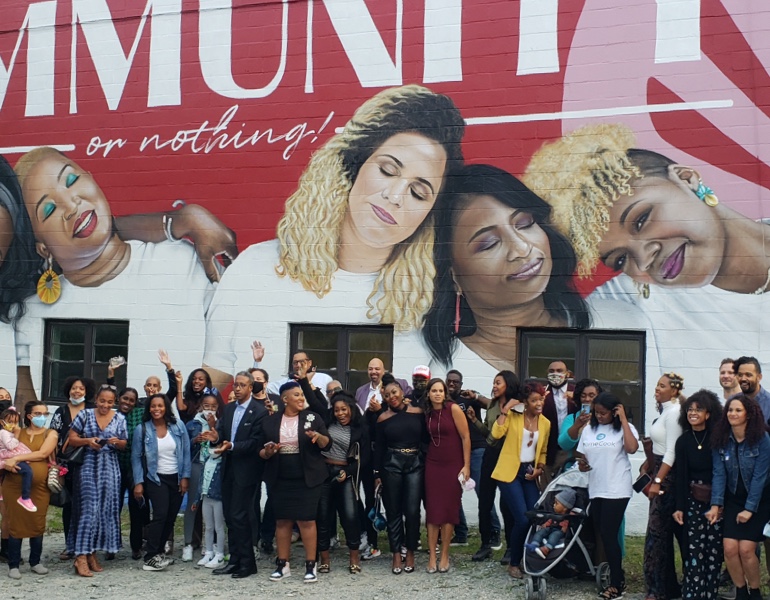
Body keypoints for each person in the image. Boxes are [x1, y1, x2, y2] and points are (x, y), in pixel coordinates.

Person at [203, 85, 466, 391]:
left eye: (418, 192)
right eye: (387, 170)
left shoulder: (428, 303)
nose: (395, 196)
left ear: (429, 214)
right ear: (354, 166)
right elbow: (206, 386)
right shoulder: (257, 269)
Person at [523, 123, 770, 414]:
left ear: (686, 178)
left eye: (641, 220)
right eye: (621, 259)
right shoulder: (633, 302)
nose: (643, 260)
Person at [14, 147, 216, 398]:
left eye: (71, 180)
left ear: (92, 177)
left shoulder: (179, 260)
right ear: (42, 247)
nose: (71, 205)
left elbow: (226, 352)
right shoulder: (30, 310)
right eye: (49, 210)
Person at [422, 163, 590, 373]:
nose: (522, 248)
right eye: (489, 243)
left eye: (525, 223)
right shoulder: (448, 374)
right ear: (454, 276)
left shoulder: (617, 320)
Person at [261, 380, 330, 584]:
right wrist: (269, 451)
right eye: (296, 395)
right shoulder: (270, 422)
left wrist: (318, 436)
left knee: (307, 521)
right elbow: (261, 451)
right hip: (280, 477)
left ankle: (311, 565)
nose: (301, 398)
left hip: (307, 477)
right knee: (282, 521)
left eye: (302, 395)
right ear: (284, 399)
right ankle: (283, 564)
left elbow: (327, 444)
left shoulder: (312, 418)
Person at [576, 392, 639, 600]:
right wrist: (582, 465)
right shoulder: (588, 430)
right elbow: (582, 458)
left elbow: (631, 448)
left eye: (604, 413)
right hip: (596, 487)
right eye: (597, 413)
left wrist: (623, 420)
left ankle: (617, 582)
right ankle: (612, 572)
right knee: (603, 533)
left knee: (609, 534)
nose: (600, 416)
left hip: (617, 488)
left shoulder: (624, 429)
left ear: (614, 411)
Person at [707, 395, 770, 600]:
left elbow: (760, 477)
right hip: (733, 499)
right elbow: (719, 473)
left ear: (749, 414)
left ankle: (755, 592)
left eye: (738, 410)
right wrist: (716, 504)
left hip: (759, 500)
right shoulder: (721, 438)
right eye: (730, 410)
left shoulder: (762, 439)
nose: (732, 414)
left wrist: (750, 509)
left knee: (746, 549)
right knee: (730, 548)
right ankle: (740, 591)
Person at [210, 371, 267, 579]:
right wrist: (215, 437)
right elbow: (221, 434)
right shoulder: (229, 408)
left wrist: (232, 445)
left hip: (247, 470)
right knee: (229, 516)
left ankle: (247, 563)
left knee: (239, 515)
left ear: (251, 388)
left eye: (242, 385)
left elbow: (255, 442)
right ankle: (234, 560)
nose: (237, 388)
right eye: (236, 385)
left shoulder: (259, 411)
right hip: (228, 468)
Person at [66, 385, 128, 577]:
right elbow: (71, 438)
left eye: (110, 402)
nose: (105, 405)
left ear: (114, 402)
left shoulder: (120, 418)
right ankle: (80, 556)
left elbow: (125, 443)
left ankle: (92, 552)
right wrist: (88, 441)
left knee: (103, 511)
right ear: (96, 399)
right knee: (88, 510)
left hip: (110, 468)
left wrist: (116, 442)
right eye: (102, 401)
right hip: (88, 466)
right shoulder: (84, 415)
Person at [491, 380, 550, 579]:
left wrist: (539, 469)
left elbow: (542, 451)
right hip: (509, 472)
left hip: (529, 473)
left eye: (541, 399)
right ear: (525, 402)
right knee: (522, 519)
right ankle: (514, 562)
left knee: (533, 517)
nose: (539, 404)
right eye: (534, 400)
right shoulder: (514, 417)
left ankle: (527, 559)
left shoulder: (545, 423)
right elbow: (496, 433)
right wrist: (507, 408)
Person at [673, 389, 724, 600]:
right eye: (690, 410)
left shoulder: (717, 439)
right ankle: (693, 593)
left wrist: (719, 503)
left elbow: (721, 473)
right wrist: (679, 507)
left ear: (709, 414)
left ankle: (710, 592)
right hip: (692, 500)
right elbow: (681, 476)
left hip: (716, 501)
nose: (693, 413)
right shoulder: (684, 441)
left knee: (714, 550)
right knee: (693, 549)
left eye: (698, 409)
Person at [131, 393, 191, 572]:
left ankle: (158, 553)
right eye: (153, 406)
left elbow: (186, 452)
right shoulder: (142, 429)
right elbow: (136, 457)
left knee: (171, 517)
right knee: (160, 515)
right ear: (148, 408)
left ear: (166, 407)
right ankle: (150, 556)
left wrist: (185, 478)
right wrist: (138, 482)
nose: (156, 409)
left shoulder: (178, 426)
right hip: (155, 478)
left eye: (160, 406)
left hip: (176, 477)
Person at [374, 376, 426, 575]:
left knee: (412, 511)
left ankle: (410, 551)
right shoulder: (382, 418)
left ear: (403, 392)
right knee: (394, 511)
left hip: (415, 464)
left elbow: (425, 439)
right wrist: (377, 474)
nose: (391, 397)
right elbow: (378, 449)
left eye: (394, 392)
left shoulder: (418, 413)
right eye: (387, 395)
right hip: (391, 466)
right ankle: (396, 553)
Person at [313, 391, 368, 574]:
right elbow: (314, 402)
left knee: (350, 517)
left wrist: (349, 472)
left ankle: (354, 557)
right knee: (323, 517)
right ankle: (324, 559)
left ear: (351, 409)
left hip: (345, 474)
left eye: (344, 409)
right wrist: (306, 381)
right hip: (324, 473)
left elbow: (365, 457)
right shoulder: (328, 422)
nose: (340, 413)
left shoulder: (360, 428)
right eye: (337, 410)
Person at [2, 401, 58, 580]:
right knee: (15, 524)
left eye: (45, 413)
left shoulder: (51, 433)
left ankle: (35, 561)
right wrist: (8, 465)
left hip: (39, 488)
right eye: (38, 413)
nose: (42, 417)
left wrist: (17, 458)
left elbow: (42, 454)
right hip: (14, 486)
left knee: (37, 522)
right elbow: (5, 451)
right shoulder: (18, 432)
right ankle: (14, 563)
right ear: (29, 416)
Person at [466, 371, 517, 563]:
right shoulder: (493, 405)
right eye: (494, 382)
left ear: (509, 385)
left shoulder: (517, 406)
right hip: (491, 455)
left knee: (507, 504)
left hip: (509, 457)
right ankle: (485, 544)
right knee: (485, 502)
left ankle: (511, 547)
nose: (494, 386)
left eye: (498, 383)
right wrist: (474, 421)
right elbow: (490, 434)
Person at [642, 372, 685, 600]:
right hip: (658, 468)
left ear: (674, 390)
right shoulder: (665, 411)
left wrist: (657, 481)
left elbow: (671, 451)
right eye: (657, 385)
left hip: (667, 478)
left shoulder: (675, 413)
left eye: (662, 386)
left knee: (658, 534)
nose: (657, 389)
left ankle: (658, 590)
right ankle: (666, 587)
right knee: (660, 534)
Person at [448, 369, 502, 548]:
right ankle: (461, 533)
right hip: (456, 451)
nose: (452, 384)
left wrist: (477, 396)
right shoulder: (445, 401)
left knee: (482, 492)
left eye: (456, 381)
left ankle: (494, 533)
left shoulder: (469, 397)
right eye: (450, 381)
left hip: (478, 449)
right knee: (454, 492)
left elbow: (492, 406)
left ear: (461, 384)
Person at [424, 377, 470, 573]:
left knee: (449, 510)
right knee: (433, 511)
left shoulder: (453, 409)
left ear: (445, 393)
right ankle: (432, 555)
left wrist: (466, 466)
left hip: (453, 464)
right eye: (434, 390)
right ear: (428, 394)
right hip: (433, 464)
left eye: (440, 390)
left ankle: (444, 554)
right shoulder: (427, 413)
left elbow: (466, 436)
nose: (437, 394)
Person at [49, 376, 95, 559]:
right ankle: (70, 545)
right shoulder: (60, 411)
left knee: (87, 505)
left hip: (89, 463)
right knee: (69, 505)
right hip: (66, 463)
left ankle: (86, 546)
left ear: (86, 392)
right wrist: (53, 463)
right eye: (74, 388)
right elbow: (53, 436)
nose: (77, 391)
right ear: (68, 390)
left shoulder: (92, 410)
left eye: (81, 389)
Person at [186, 395, 226, 569]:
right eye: (206, 405)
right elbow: (183, 446)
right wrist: (196, 440)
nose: (209, 408)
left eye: (213, 406)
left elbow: (222, 442)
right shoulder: (192, 424)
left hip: (216, 482)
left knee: (218, 522)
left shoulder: (222, 424)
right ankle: (198, 547)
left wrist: (212, 427)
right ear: (200, 406)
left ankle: (218, 551)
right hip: (198, 466)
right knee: (202, 516)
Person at [114, 385, 147, 560]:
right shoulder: (111, 414)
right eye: (125, 398)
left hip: (134, 468)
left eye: (131, 400)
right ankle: (112, 546)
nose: (127, 402)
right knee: (113, 507)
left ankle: (136, 546)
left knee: (136, 508)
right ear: (119, 398)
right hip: (114, 467)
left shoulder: (139, 415)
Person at [541, 360, 577, 486]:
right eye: (551, 371)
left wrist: (576, 399)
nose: (555, 374)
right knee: (548, 491)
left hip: (572, 450)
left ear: (567, 374)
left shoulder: (577, 393)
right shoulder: (542, 393)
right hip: (549, 451)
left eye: (559, 371)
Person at [0, 409, 37, 511]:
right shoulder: (3, 432)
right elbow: (11, 446)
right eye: (10, 422)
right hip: (9, 456)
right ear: (2, 422)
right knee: (27, 471)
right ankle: (25, 497)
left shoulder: (7, 433)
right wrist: (16, 434)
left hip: (11, 456)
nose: (13, 425)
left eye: (15, 422)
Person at [558, 378, 603, 461]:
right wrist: (577, 425)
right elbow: (563, 444)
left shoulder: (606, 418)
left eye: (591, 395)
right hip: (575, 468)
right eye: (583, 396)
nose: (587, 399)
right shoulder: (572, 418)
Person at [524, 488, 577, 558]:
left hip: (559, 531)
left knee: (554, 536)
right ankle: (534, 544)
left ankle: (546, 549)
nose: (553, 505)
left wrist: (564, 529)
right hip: (550, 528)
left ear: (565, 508)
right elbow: (550, 520)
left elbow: (566, 527)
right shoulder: (554, 513)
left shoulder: (567, 516)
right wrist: (545, 524)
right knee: (540, 532)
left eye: (556, 503)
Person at [733, 357, 770, 423]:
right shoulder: (732, 401)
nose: (743, 379)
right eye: (740, 375)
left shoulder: (768, 403)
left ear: (759, 377)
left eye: (748, 375)